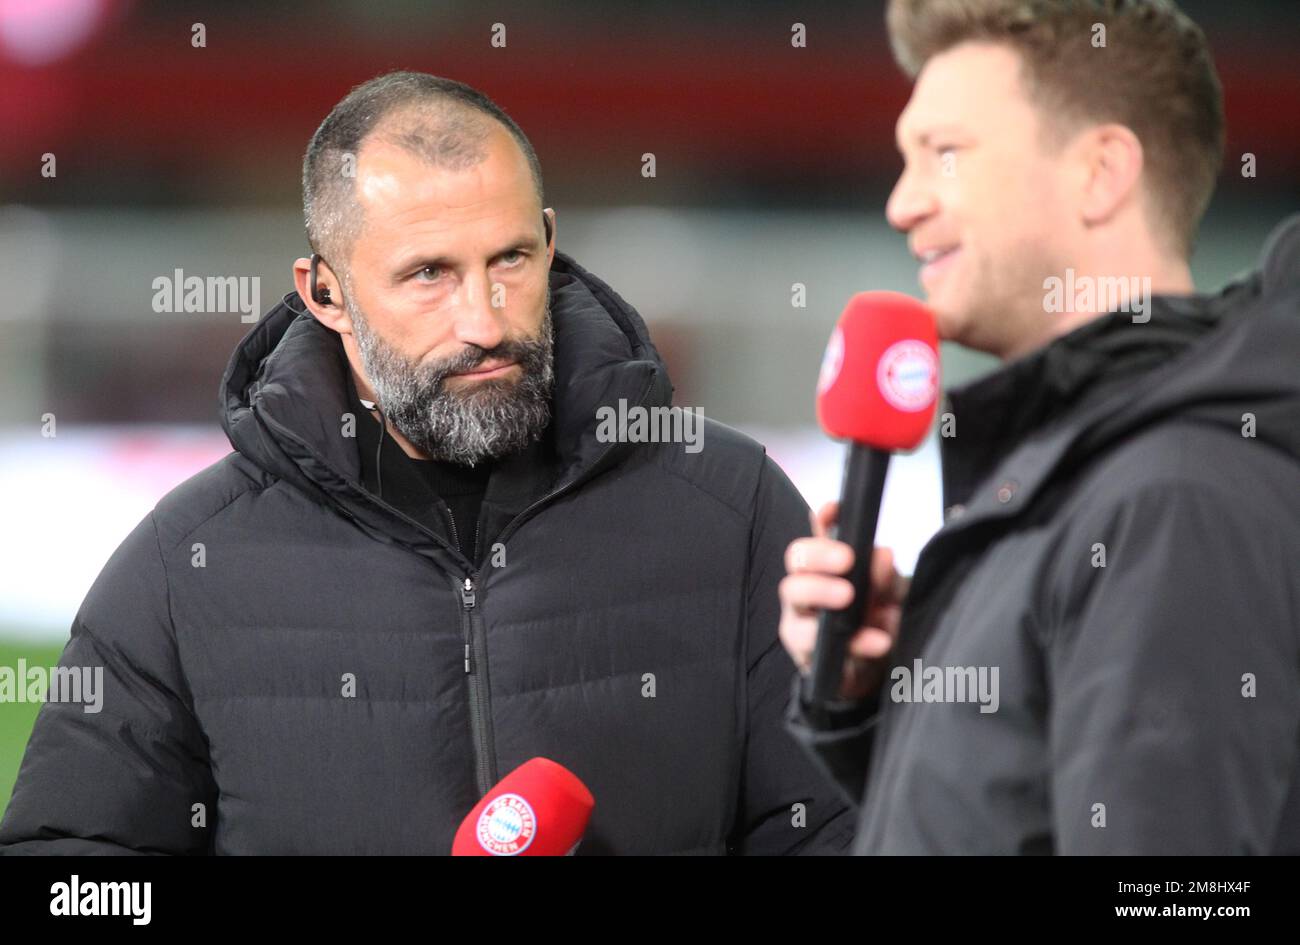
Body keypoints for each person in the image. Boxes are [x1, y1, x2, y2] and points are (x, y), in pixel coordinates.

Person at [0, 72, 854, 855]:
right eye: (428, 275)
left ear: (551, 242)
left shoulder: (731, 510)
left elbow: (840, 831)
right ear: (324, 292)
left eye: (509, 260)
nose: (484, 320)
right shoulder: (184, 565)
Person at [779, 0, 1300, 854]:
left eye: (944, 154)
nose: (902, 204)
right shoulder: (1087, 478)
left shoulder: (1171, 499)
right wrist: (876, 701)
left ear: (1101, 172)